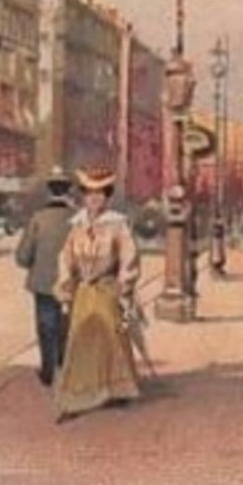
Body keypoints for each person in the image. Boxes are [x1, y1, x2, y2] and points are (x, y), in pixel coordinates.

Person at [54, 166, 142, 421]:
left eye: (100, 194)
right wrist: (65, 282)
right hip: (84, 293)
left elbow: (129, 255)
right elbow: (66, 257)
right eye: (90, 194)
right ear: (82, 196)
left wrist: (126, 283)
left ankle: (117, 389)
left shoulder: (117, 224)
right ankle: (76, 397)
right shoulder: (77, 225)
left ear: (107, 196)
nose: (94, 199)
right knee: (80, 341)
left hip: (108, 291)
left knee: (115, 337)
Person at [14, 167, 75, 386]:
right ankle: (65, 364)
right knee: (67, 325)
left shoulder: (38, 219)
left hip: (43, 283)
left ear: (49, 191)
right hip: (70, 284)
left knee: (45, 325)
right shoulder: (77, 219)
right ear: (68, 191)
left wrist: (32, 262)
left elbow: (23, 255)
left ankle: (48, 370)